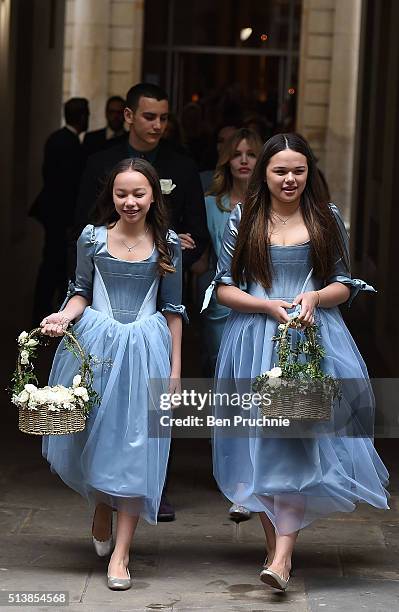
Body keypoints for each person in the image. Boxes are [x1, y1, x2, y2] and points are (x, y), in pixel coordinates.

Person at [203, 133, 389, 591]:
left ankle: (282, 557)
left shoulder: (326, 218)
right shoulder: (243, 219)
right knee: (259, 449)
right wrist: (264, 305)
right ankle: (277, 552)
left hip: (310, 340)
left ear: (310, 172)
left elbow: (345, 283)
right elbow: (222, 287)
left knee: (294, 445)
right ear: (263, 173)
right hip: (253, 340)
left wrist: (314, 297)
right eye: (280, 170)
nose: (290, 179)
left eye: (298, 170)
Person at [41, 158, 185, 590]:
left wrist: (175, 370)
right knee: (96, 435)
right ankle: (101, 504)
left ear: (154, 196)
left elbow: (173, 311)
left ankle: (122, 556)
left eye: (139, 193)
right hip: (98, 346)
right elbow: (80, 291)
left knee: (136, 443)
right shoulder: (93, 239)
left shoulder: (168, 243)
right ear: (111, 196)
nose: (130, 202)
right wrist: (63, 317)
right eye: (122, 194)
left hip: (146, 348)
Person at [74, 83, 209, 274]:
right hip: (107, 270)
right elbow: (84, 224)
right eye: (149, 117)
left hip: (165, 275)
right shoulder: (100, 163)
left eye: (163, 118)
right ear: (129, 116)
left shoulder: (183, 166)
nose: (158, 126)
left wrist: (167, 260)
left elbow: (197, 234)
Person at [203, 127, 263, 523]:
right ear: (227, 158)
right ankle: (233, 473)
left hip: (263, 306)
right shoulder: (212, 203)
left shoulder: (271, 206)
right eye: (237, 153)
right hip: (223, 307)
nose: (244, 159)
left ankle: (254, 481)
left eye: (252, 154)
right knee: (228, 392)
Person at [30, 97, 90, 324]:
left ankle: (47, 307)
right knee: (54, 261)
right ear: (83, 117)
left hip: (53, 213)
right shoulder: (69, 144)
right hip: (60, 215)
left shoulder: (56, 138)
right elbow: (66, 186)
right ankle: (44, 309)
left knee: (52, 260)